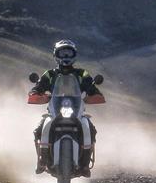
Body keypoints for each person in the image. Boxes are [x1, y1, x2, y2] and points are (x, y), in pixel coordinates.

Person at [29, 39, 102, 175]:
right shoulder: (50, 74)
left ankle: (85, 165)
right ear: (56, 55)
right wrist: (35, 93)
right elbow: (38, 87)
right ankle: (42, 161)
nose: (66, 57)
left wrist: (94, 92)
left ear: (74, 55)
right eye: (62, 53)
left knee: (90, 129)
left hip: (77, 110)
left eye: (69, 53)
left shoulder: (82, 74)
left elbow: (91, 87)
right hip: (54, 109)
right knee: (39, 130)